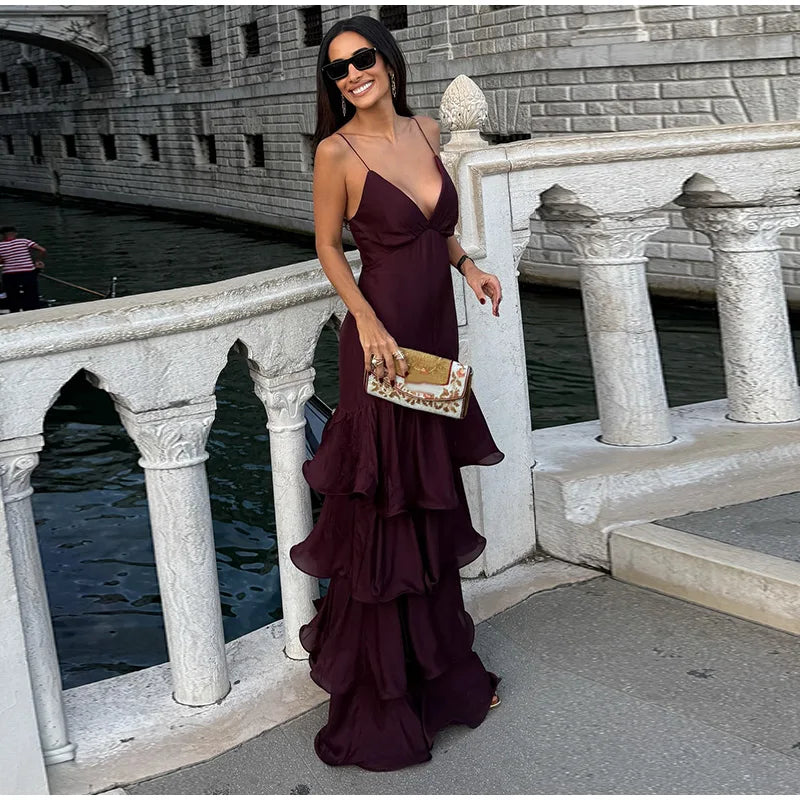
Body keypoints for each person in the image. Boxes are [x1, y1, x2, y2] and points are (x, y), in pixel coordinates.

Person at [289, 15, 506, 772]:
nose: (352, 74)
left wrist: (470, 267)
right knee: (387, 512)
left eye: (362, 59)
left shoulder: (427, 126)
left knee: (430, 502)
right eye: (338, 69)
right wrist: (369, 324)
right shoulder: (335, 152)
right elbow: (327, 245)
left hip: (435, 340)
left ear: (388, 59)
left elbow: (432, 228)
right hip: (381, 353)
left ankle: (443, 683)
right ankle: (387, 699)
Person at [0, 225, 46, 312]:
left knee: (12, 296)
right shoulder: (24, 241)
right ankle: (32, 311)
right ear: (15, 233)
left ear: (2, 235)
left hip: (9, 274)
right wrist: (38, 261)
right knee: (31, 295)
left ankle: (15, 312)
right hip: (28, 272)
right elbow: (42, 250)